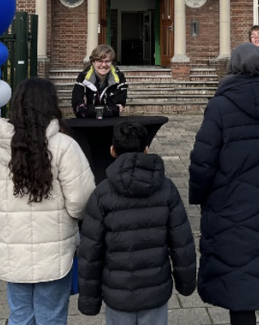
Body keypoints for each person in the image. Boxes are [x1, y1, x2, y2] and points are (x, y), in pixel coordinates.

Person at [189, 43, 259, 325]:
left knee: (239, 285)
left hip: (230, 206)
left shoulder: (221, 105)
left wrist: (199, 196)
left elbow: (203, 159)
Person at [0, 78, 96, 325]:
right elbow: (81, 202)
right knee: (51, 317)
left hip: (13, 250)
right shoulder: (65, 146)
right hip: (55, 250)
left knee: (20, 316)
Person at [77, 121, 197, 324]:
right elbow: (182, 242)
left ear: (112, 151)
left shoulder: (102, 194)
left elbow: (90, 252)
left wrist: (89, 299)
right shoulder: (167, 189)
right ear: (146, 149)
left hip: (118, 292)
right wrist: (186, 283)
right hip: (155, 289)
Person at [72, 44, 128, 118]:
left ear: (111, 62)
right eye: (100, 61)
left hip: (111, 123)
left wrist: (90, 109)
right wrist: (108, 110)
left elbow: (117, 109)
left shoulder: (120, 78)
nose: (104, 64)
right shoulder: (83, 78)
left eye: (107, 61)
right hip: (87, 123)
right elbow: (78, 109)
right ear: (93, 62)